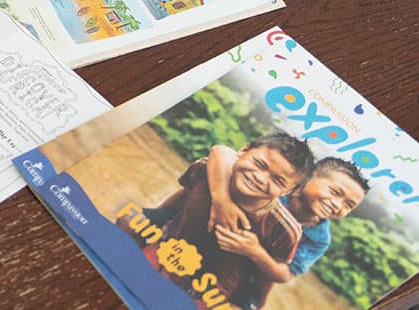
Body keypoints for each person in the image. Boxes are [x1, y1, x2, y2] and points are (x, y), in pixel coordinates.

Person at [135, 133, 315, 310]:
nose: (260, 178)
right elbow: (179, 201)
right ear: (244, 150)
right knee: (129, 221)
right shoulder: (206, 168)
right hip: (171, 251)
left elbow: (267, 277)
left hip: (214, 289)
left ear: (288, 191)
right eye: (259, 164)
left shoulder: (283, 229)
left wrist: (255, 254)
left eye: (277, 180)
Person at [206, 151, 369, 307]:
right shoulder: (277, 187)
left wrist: (254, 251)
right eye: (335, 192)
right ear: (308, 176)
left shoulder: (319, 238)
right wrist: (222, 200)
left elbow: (285, 274)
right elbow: (223, 155)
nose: (337, 204)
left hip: (249, 276)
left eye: (348, 205)